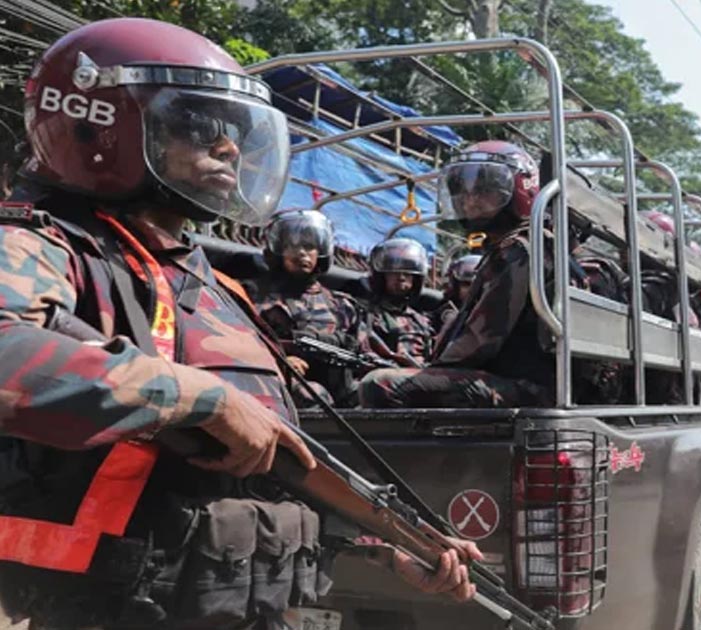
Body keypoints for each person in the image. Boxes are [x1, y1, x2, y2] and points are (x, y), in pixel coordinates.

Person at [0, 18, 477, 629]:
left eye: (232, 134)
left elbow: (259, 474)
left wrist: (385, 549)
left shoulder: (210, 281)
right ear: (100, 126)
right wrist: (199, 397)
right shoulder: (43, 244)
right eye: (199, 127)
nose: (229, 149)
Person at [360, 141, 559, 408]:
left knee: (378, 384)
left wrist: (429, 369)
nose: (470, 200)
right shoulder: (527, 245)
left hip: (525, 387)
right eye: (463, 192)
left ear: (519, 190)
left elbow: (480, 341)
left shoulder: (517, 251)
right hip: (523, 382)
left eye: (485, 191)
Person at [250, 209, 377, 407]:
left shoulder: (343, 305)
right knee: (314, 394)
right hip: (285, 383)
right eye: (292, 246)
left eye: (309, 246)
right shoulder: (259, 300)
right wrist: (283, 361)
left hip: (342, 387)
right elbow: (245, 347)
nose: (301, 253)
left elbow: (365, 356)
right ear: (278, 251)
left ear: (321, 252)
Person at [365, 237, 437, 367]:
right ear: (382, 277)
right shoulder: (366, 314)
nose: (401, 278)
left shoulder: (421, 321)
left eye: (408, 274)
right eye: (394, 273)